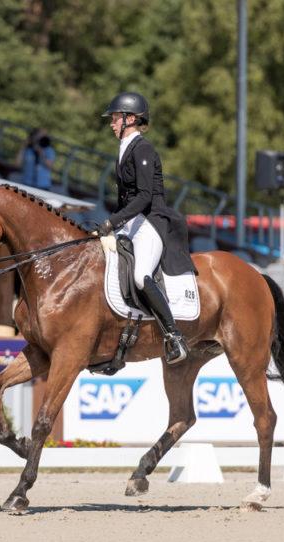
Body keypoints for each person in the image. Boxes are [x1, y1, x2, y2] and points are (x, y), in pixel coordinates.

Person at [100, 92, 194, 364]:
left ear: (131, 119)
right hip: (131, 221)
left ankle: (173, 336)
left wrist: (112, 222)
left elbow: (143, 197)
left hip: (150, 221)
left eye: (116, 118)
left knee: (141, 275)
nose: (112, 123)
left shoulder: (143, 149)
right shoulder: (124, 148)